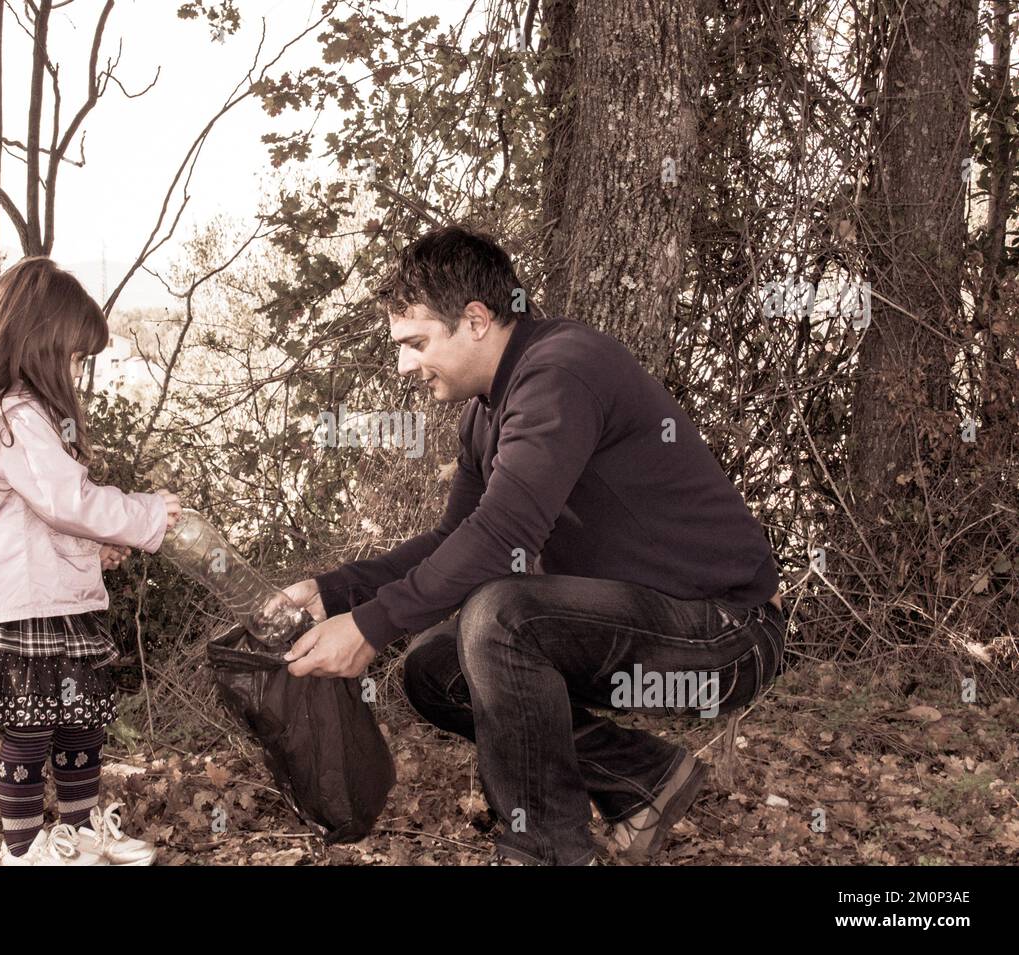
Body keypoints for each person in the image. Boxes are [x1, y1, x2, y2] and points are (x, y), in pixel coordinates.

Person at [280, 226, 789, 865]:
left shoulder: (561, 370)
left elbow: (503, 539)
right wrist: (334, 592)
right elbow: (453, 538)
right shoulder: (485, 411)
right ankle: (643, 778)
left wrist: (373, 625)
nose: (405, 365)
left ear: (474, 320)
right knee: (433, 670)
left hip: (727, 635)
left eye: (415, 343)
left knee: (501, 617)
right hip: (641, 627)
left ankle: (546, 850)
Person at [0, 257, 181, 866]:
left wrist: (95, 545)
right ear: (40, 345)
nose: (79, 373)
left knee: (81, 721)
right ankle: (24, 848)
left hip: (47, 599)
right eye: (75, 358)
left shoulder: (10, 416)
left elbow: (37, 519)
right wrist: (149, 516)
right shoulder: (16, 418)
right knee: (30, 730)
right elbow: (67, 501)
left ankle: (81, 834)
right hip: (22, 607)